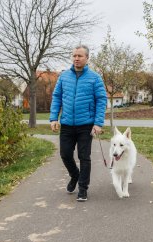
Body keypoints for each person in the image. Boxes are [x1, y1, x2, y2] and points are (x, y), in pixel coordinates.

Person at [49, 45, 107, 202]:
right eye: (74, 55)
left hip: (86, 125)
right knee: (65, 154)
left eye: (80, 56)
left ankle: (83, 188)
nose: (76, 58)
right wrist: (54, 118)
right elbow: (57, 97)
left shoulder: (95, 78)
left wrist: (98, 123)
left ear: (87, 58)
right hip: (67, 123)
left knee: (84, 157)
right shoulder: (64, 76)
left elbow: (101, 100)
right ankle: (75, 175)